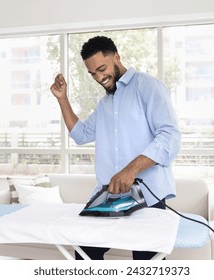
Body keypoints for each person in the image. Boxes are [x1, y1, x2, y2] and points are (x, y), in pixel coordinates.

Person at [50, 36, 181, 260]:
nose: (99, 77)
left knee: (146, 264)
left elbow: (170, 136)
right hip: (110, 197)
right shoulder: (105, 105)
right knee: (85, 254)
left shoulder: (147, 86)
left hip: (148, 196)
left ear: (117, 57)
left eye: (102, 69)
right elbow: (80, 135)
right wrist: (62, 99)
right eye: (93, 74)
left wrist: (131, 169)